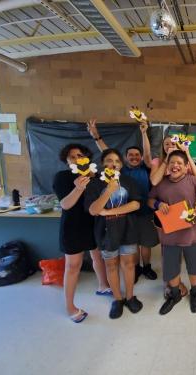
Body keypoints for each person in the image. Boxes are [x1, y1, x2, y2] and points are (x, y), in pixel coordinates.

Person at [87, 119, 159, 283]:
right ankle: (135, 269)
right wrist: (97, 137)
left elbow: (148, 154)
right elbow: (108, 153)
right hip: (126, 214)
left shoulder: (146, 169)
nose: (134, 157)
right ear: (125, 158)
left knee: (146, 244)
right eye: (130, 155)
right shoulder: (121, 170)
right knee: (132, 246)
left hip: (145, 213)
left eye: (137, 155)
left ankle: (146, 267)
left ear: (140, 158)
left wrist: (143, 132)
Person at [148, 150, 196, 315]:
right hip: (169, 235)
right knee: (171, 267)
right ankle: (175, 294)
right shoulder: (161, 183)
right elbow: (149, 200)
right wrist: (157, 205)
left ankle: (195, 291)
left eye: (179, 163)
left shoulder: (193, 181)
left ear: (186, 167)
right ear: (168, 166)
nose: (175, 166)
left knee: (194, 265)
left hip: (191, 234)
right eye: (172, 163)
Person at [52, 144, 110, 323]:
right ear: (66, 160)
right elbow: (65, 204)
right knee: (73, 266)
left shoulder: (94, 176)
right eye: (72, 157)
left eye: (80, 155)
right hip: (73, 226)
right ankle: (70, 307)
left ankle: (103, 285)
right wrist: (78, 188)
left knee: (98, 257)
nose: (77, 159)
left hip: (92, 224)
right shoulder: (62, 177)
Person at [85, 148, 143, 319]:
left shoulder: (128, 181)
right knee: (111, 265)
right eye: (110, 160)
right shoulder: (95, 184)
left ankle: (130, 296)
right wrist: (109, 190)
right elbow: (94, 210)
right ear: (103, 163)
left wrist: (108, 212)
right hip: (106, 233)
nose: (114, 164)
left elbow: (136, 205)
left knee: (129, 264)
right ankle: (117, 299)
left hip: (128, 230)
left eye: (117, 161)